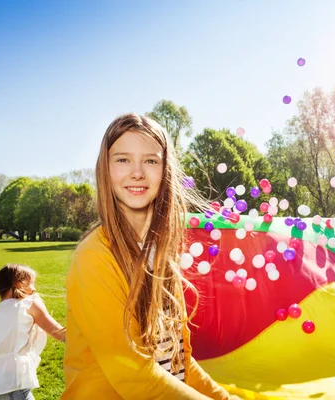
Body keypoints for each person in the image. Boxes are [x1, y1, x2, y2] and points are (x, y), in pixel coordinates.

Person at [61, 113, 234, 399]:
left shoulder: (161, 255)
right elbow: (134, 376)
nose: (137, 172)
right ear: (105, 169)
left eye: (151, 161)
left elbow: (178, 361)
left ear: (166, 169)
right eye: (123, 159)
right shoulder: (94, 256)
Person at [0, 263, 66, 400]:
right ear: (18, 283)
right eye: (31, 283)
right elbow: (59, 333)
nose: (34, 289)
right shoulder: (28, 305)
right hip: (13, 387)